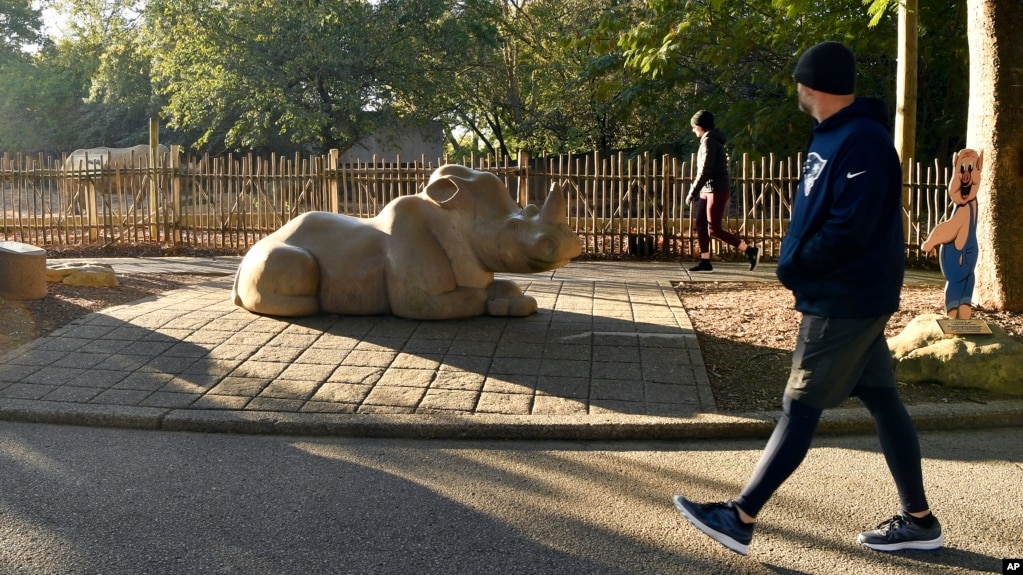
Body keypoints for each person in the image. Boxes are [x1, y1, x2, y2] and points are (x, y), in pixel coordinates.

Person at [672, 41, 943, 556]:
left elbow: (851, 227)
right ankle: (920, 521)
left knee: (799, 405)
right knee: (884, 401)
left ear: (812, 85)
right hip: (845, 292)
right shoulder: (832, 136)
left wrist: (797, 264)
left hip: (844, 296)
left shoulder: (862, 140)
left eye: (799, 80)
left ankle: (740, 517)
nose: (796, 88)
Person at [686, 110, 759, 273]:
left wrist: (692, 192)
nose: (693, 131)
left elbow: (705, 169)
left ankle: (749, 251)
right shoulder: (708, 140)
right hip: (708, 189)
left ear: (699, 126)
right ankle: (705, 261)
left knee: (715, 229)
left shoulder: (709, 142)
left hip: (716, 189)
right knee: (700, 223)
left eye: (694, 127)